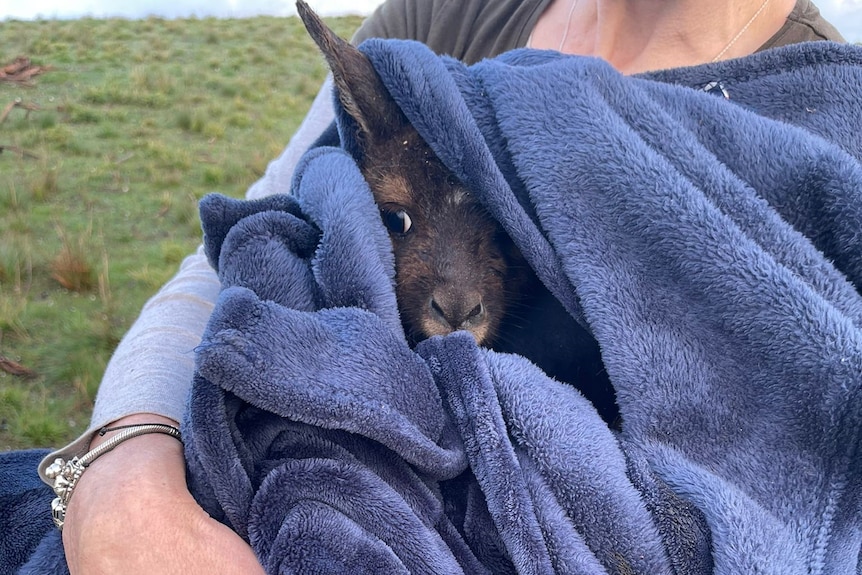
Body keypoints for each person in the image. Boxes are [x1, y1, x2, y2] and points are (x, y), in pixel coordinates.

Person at [42, 0, 845, 572]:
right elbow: (247, 246)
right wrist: (121, 467)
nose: (460, 293)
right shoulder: (444, 17)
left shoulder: (813, 116)